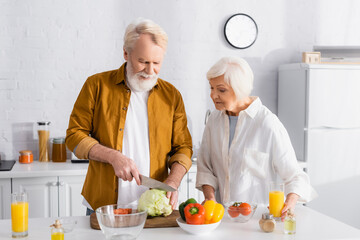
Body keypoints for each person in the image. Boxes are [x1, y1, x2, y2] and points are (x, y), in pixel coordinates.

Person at [65, 18, 192, 214]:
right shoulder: (96, 86)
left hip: (154, 207)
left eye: (156, 63)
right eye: (142, 61)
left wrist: (173, 181)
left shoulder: (172, 96)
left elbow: (183, 147)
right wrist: (113, 156)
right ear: (126, 53)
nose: (150, 71)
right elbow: (74, 136)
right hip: (102, 205)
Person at [196, 57, 317, 219]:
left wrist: (290, 202)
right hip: (221, 218)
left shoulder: (267, 123)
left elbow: (295, 176)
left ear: (239, 89)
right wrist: (210, 198)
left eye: (221, 90)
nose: (213, 95)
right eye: (211, 88)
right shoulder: (214, 120)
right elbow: (206, 168)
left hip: (258, 221)